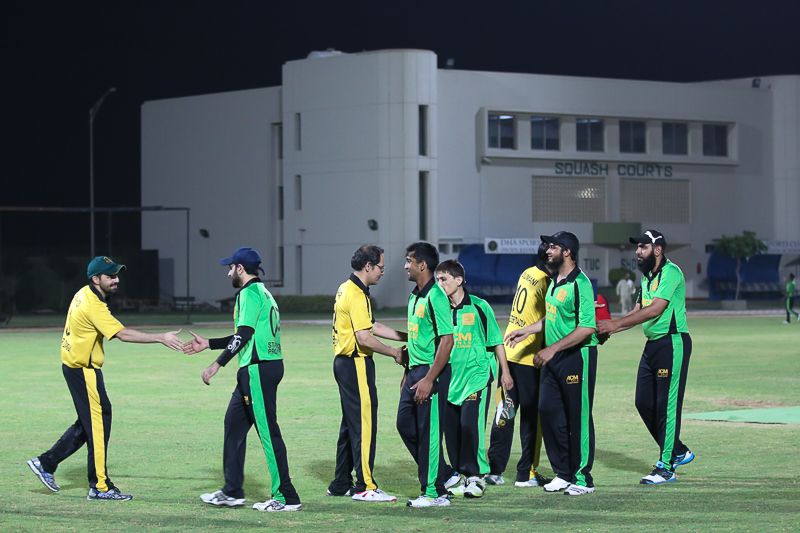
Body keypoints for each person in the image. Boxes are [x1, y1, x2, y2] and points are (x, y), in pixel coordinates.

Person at [27, 256, 183, 501]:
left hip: (74, 366)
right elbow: (122, 334)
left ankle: (46, 462)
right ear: (95, 279)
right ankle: (100, 487)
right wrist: (161, 337)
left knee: (91, 421)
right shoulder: (93, 305)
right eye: (110, 276)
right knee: (98, 423)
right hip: (84, 370)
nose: (116, 279)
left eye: (116, 275)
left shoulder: (83, 293)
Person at [184, 247, 302, 512]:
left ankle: (286, 496)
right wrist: (209, 343)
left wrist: (217, 364)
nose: (228, 273)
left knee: (268, 432)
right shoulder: (263, 292)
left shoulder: (247, 293)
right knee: (234, 425)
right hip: (260, 367)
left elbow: (244, 334)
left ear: (240, 268)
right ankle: (232, 491)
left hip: (258, 369)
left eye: (230, 268)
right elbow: (244, 333)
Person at [597, 230, 695, 485]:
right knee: (643, 402)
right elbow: (638, 310)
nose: (638, 252)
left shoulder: (671, 272)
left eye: (643, 247)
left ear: (658, 250)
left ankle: (666, 468)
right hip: (653, 345)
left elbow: (655, 309)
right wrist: (610, 330)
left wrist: (614, 324)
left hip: (672, 343)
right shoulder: (647, 277)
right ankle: (677, 450)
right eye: (637, 247)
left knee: (667, 406)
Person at [505, 232, 599, 496]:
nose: (547, 250)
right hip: (553, 358)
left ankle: (583, 478)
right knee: (548, 412)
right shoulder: (555, 281)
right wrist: (527, 331)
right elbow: (553, 318)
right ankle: (563, 474)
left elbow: (587, 327)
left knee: (578, 417)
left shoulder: (581, 283)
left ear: (567, 251)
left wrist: (552, 349)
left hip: (576, 357)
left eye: (553, 247)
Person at [326, 245, 407, 502]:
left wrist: (407, 337)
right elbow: (364, 338)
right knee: (364, 424)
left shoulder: (347, 288)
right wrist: (394, 352)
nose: (383, 271)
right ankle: (365, 486)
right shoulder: (357, 294)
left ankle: (341, 483)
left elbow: (370, 325)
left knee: (350, 425)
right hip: (356, 363)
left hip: (344, 363)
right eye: (381, 267)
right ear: (368, 266)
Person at [434, 260, 513, 499]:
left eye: (444, 279)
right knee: (451, 431)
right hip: (449, 379)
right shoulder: (438, 309)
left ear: (458, 280)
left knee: (471, 426)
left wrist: (505, 372)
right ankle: (461, 475)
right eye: (437, 280)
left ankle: (477, 475)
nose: (439, 284)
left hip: (476, 377)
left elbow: (496, 341)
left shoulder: (479, 306)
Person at [486, 242, 551, 488]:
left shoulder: (527, 273)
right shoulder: (546, 282)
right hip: (528, 357)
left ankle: (495, 471)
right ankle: (527, 473)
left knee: (504, 413)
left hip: (508, 354)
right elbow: (553, 318)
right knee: (532, 419)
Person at [397, 242, 454, 508]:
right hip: (414, 372)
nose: (405, 266)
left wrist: (429, 379)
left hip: (432, 373)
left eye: (409, 261)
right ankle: (443, 476)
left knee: (429, 433)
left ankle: (433, 492)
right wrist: (407, 373)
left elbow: (447, 341)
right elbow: (417, 338)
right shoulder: (414, 296)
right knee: (404, 425)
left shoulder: (436, 297)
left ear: (422, 265)